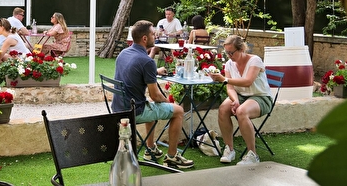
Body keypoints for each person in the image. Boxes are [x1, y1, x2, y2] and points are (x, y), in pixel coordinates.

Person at [112, 20, 194, 169]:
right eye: (152, 34)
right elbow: (156, 96)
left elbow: (136, 69)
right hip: (134, 111)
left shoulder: (125, 52)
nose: (155, 36)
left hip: (118, 108)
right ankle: (172, 157)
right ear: (144, 38)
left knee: (150, 104)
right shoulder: (147, 62)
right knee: (178, 111)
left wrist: (155, 71)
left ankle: (150, 150)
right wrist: (167, 103)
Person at [209, 34, 272, 165]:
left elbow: (248, 81)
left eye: (231, 53)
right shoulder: (229, 64)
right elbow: (230, 88)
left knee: (242, 111)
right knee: (223, 109)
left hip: (260, 97)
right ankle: (229, 149)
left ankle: (253, 155)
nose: (229, 56)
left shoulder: (255, 60)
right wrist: (235, 100)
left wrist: (224, 79)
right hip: (241, 96)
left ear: (241, 49)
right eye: (227, 53)